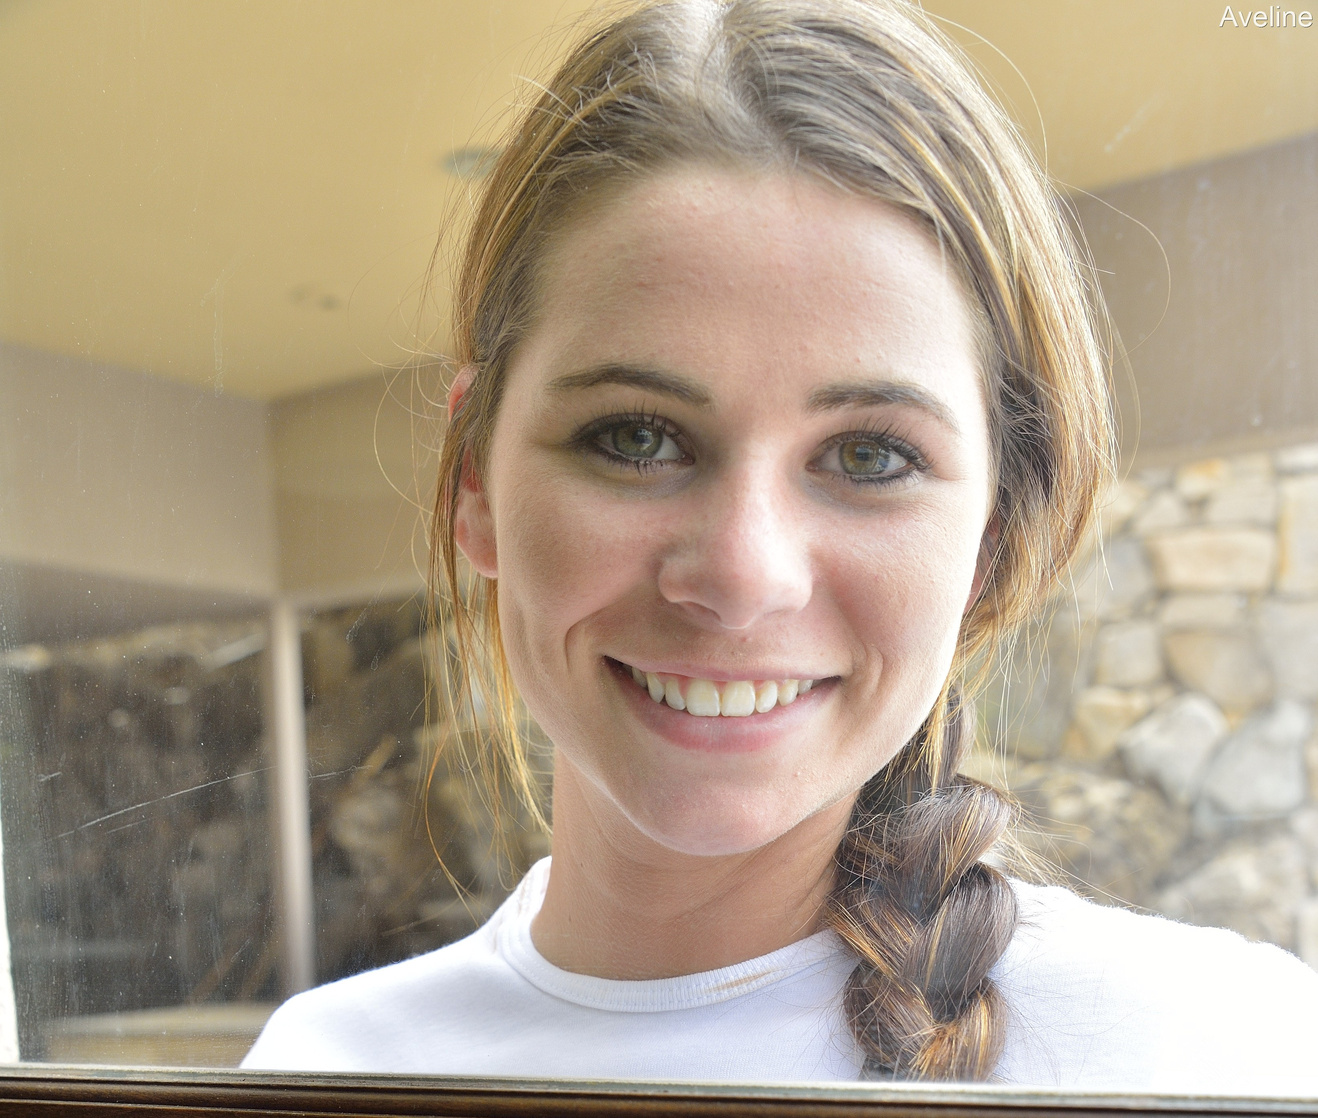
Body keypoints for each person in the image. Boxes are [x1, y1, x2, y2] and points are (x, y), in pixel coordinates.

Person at [244, 0, 1318, 1091]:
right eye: (635, 437)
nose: (742, 573)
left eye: (869, 457)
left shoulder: (1221, 1053)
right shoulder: (319, 1074)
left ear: (991, 538)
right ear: (473, 482)